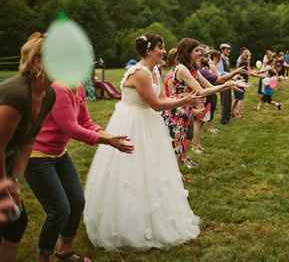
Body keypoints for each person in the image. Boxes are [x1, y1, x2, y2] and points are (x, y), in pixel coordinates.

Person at [84, 33, 203, 250]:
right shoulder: (140, 73)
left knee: (153, 170)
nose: (165, 50)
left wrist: (179, 100)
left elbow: (160, 100)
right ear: (149, 51)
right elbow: (156, 105)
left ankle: (155, 216)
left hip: (148, 122)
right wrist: (185, 99)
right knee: (131, 171)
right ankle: (126, 225)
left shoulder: (154, 70)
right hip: (132, 123)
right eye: (161, 47)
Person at [26, 83, 134, 262]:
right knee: (59, 210)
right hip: (37, 156)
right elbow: (71, 128)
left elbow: (85, 122)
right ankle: (43, 257)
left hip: (59, 153)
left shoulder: (79, 87)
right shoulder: (59, 88)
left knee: (76, 202)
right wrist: (108, 141)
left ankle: (64, 251)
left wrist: (108, 136)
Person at [0, 33, 56, 262]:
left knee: (15, 223)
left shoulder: (48, 94)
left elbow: (28, 141)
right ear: (37, 62)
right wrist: (3, 187)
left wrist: (14, 181)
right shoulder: (16, 94)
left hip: (8, 159)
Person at [218, 43, 233, 125]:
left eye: (229, 49)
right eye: (227, 49)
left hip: (228, 80)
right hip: (224, 81)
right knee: (224, 100)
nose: (229, 51)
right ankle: (223, 119)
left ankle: (228, 117)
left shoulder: (226, 58)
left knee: (229, 100)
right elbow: (221, 72)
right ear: (223, 50)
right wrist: (232, 74)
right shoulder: (220, 59)